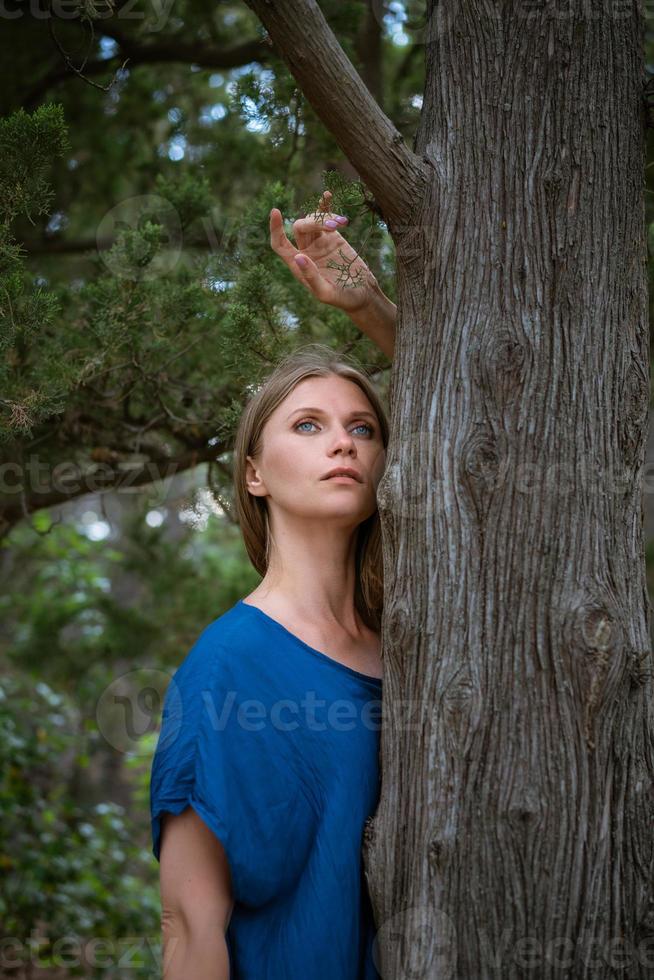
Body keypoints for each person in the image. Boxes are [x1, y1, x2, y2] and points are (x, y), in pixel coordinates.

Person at [150, 193, 395, 980]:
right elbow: (191, 934)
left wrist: (371, 307)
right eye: (308, 425)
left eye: (363, 427)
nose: (343, 444)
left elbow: (496, 406)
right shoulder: (227, 670)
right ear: (254, 474)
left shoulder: (424, 641)